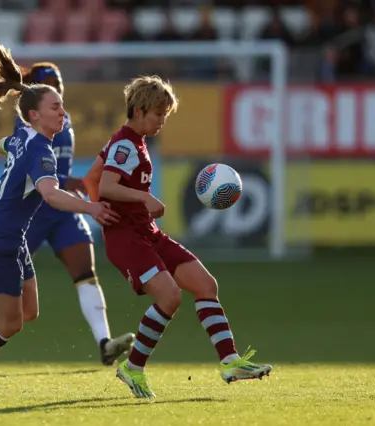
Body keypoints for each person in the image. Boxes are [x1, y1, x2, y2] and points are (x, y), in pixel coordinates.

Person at [0, 42, 119, 392]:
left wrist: (10, 148)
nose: (63, 111)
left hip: (11, 236)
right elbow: (50, 194)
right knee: (11, 322)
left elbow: (5, 143)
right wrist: (92, 207)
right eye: (56, 106)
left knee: (28, 310)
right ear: (35, 114)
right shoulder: (41, 150)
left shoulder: (23, 135)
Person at [83, 76, 273, 398]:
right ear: (140, 109)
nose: (162, 121)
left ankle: (229, 361)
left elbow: (91, 177)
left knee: (205, 285)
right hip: (127, 239)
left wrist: (97, 209)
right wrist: (131, 203)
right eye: (158, 114)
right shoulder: (126, 143)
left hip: (146, 232)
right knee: (170, 297)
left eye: (165, 115)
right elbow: (106, 185)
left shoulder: (132, 142)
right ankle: (133, 368)